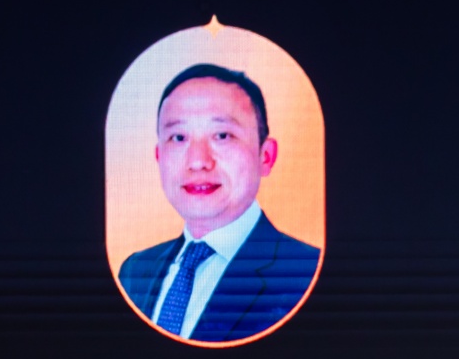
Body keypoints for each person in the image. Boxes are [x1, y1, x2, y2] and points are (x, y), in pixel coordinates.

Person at [117, 63, 321, 343]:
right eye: (178, 137)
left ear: (266, 156)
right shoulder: (135, 271)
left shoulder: (306, 273)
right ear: (159, 157)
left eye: (222, 136)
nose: (198, 161)